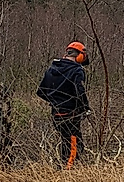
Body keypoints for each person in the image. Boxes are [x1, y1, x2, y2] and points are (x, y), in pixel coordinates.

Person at [37, 41, 91, 169]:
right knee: (74, 145)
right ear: (79, 55)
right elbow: (79, 91)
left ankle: (65, 167)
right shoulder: (77, 70)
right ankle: (68, 174)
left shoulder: (52, 68)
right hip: (70, 113)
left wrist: (55, 101)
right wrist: (85, 107)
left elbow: (41, 91)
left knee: (66, 141)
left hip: (56, 113)